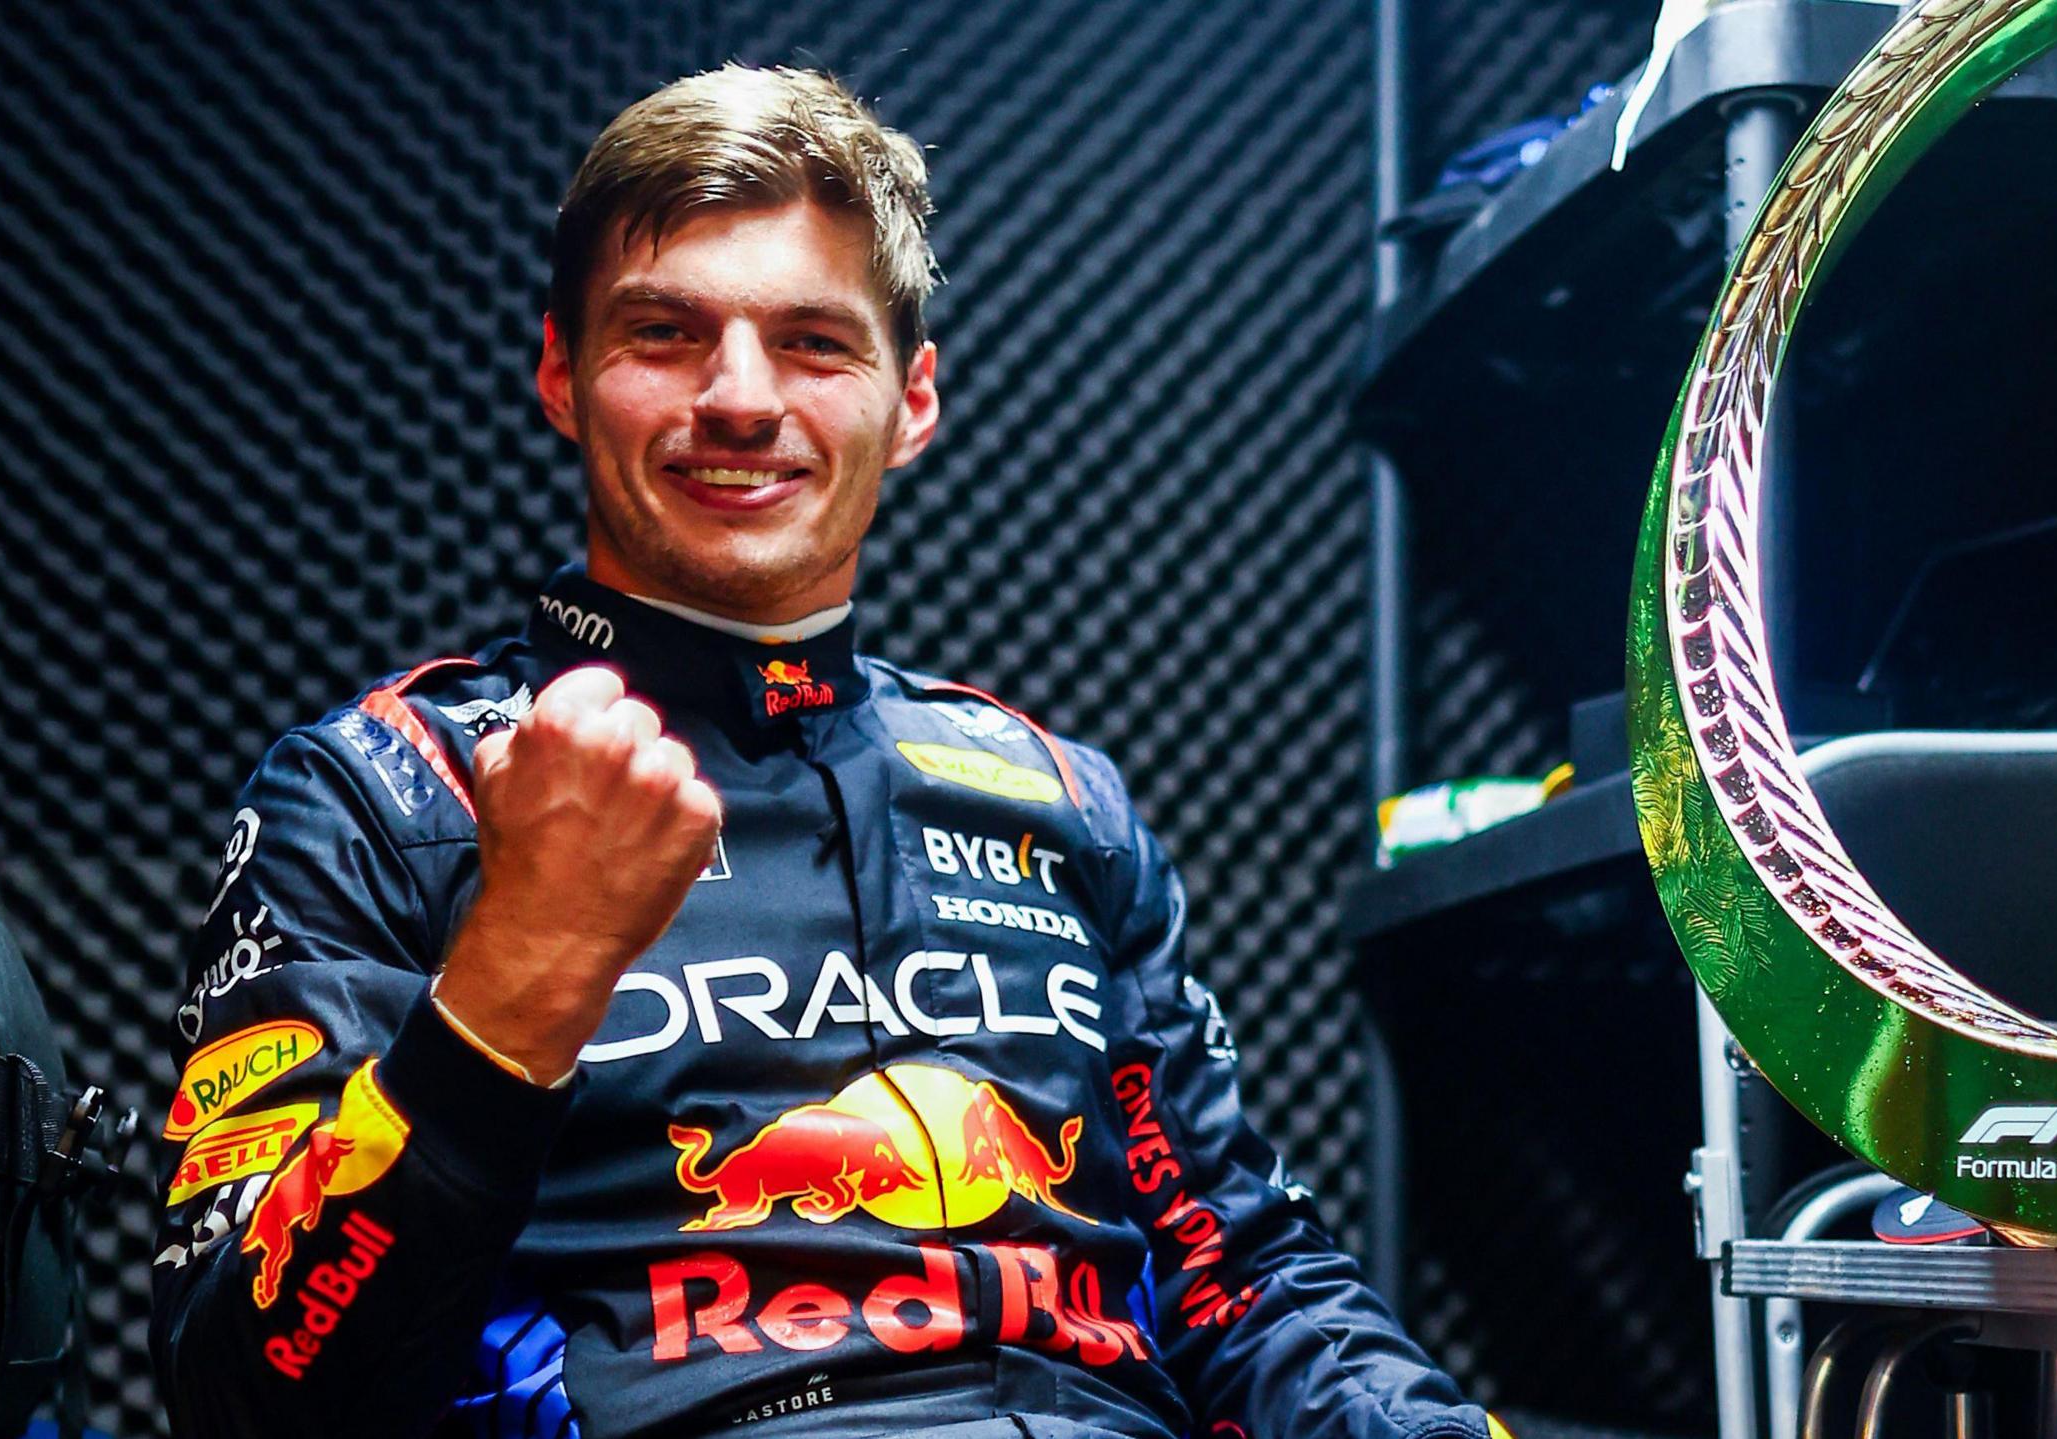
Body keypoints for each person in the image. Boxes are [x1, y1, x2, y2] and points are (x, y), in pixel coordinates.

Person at [151, 64, 1499, 1439]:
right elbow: (243, 1393)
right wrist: (515, 987)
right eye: (666, 333)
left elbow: (1245, 1280)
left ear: (912, 401)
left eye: (813, 343)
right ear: (563, 375)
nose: (741, 398)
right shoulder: (387, 788)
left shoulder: (1055, 793)